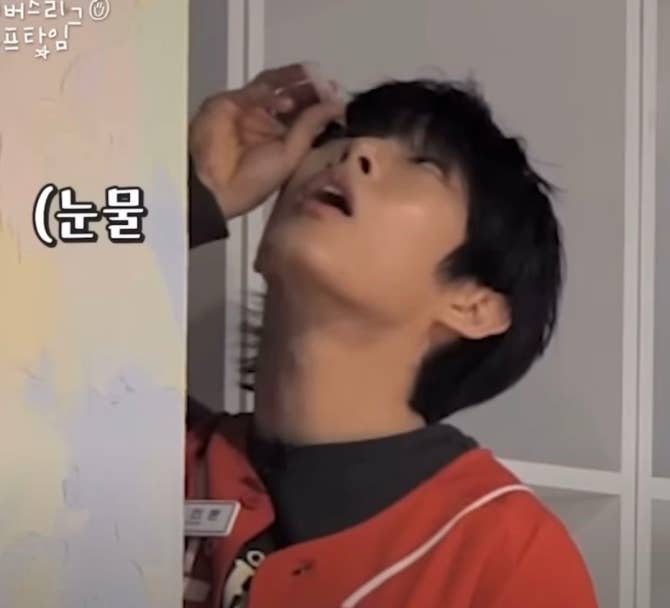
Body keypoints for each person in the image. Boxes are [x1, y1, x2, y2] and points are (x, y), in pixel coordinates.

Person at [185, 64, 598, 608]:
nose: (356, 152)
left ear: (473, 305)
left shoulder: (507, 557)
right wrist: (197, 195)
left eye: (423, 165)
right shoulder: (146, 443)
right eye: (340, 138)